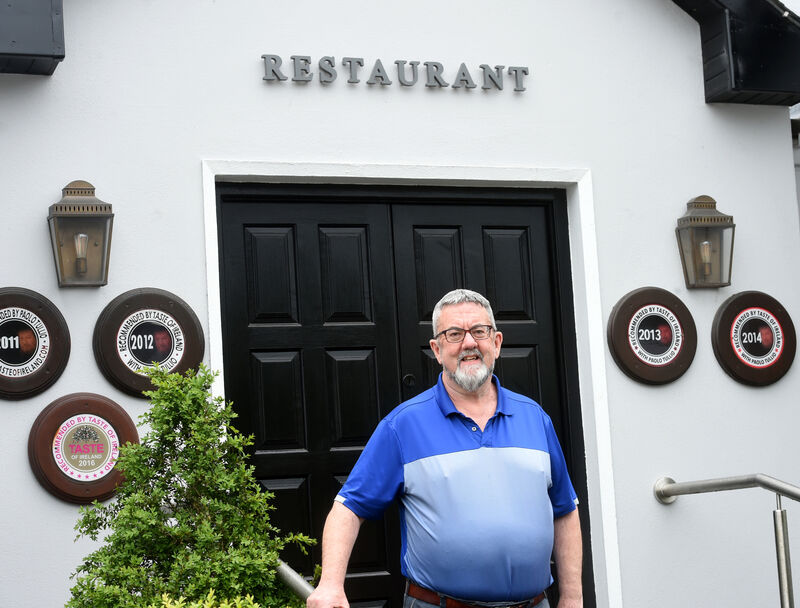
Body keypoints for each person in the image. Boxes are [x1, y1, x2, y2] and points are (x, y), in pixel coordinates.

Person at [307, 289, 583, 608]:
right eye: (454, 334)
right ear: (437, 350)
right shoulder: (404, 426)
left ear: (496, 342)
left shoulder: (535, 419)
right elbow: (349, 507)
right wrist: (330, 584)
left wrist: (573, 597)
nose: (469, 343)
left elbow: (565, 510)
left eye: (479, 331)